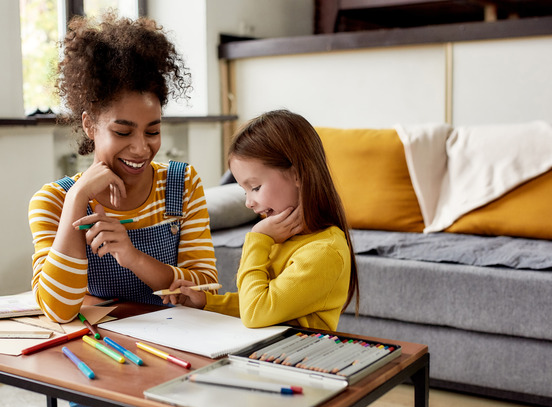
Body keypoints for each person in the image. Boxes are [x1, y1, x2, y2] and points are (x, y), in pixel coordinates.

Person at [28, 12, 218, 324]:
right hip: (101, 348)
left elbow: (204, 287)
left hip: (178, 344)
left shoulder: (181, 184)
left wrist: (132, 257)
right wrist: (76, 198)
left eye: (153, 131)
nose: (142, 148)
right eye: (123, 132)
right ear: (90, 125)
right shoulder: (52, 202)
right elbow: (58, 310)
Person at [162, 109, 359, 331]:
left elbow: (256, 312)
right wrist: (207, 302)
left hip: (295, 360)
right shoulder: (282, 238)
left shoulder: (324, 252)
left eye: (255, 187)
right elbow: (260, 300)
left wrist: (258, 239)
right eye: (245, 190)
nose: (249, 202)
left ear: (297, 175)